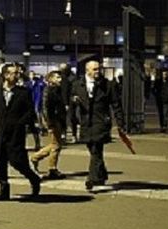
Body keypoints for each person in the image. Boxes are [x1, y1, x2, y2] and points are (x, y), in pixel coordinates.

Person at [0, 64, 41, 201]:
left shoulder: (23, 92)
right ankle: (3, 189)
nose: (17, 75)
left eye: (17, 73)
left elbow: (30, 112)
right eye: (13, 73)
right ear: (6, 75)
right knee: (0, 160)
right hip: (1, 132)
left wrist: (21, 123)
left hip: (16, 133)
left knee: (17, 161)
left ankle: (34, 179)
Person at [72, 60, 126, 191]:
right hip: (86, 122)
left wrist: (120, 122)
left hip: (101, 121)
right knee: (93, 149)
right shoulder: (77, 85)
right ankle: (102, 174)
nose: (98, 72)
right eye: (95, 69)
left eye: (99, 69)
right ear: (87, 70)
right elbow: (71, 104)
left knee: (96, 148)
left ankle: (92, 178)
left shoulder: (107, 85)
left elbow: (116, 104)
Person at [30, 71, 67, 180]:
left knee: (56, 144)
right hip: (53, 121)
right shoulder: (48, 90)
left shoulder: (57, 90)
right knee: (56, 145)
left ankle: (51, 168)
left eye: (60, 77)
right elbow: (46, 107)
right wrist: (49, 122)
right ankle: (38, 160)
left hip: (58, 120)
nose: (60, 79)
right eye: (57, 77)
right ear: (50, 79)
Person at [59, 63, 78, 142]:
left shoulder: (72, 78)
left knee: (72, 118)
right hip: (62, 100)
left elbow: (69, 90)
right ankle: (63, 134)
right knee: (62, 118)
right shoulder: (62, 78)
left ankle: (73, 135)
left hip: (70, 100)